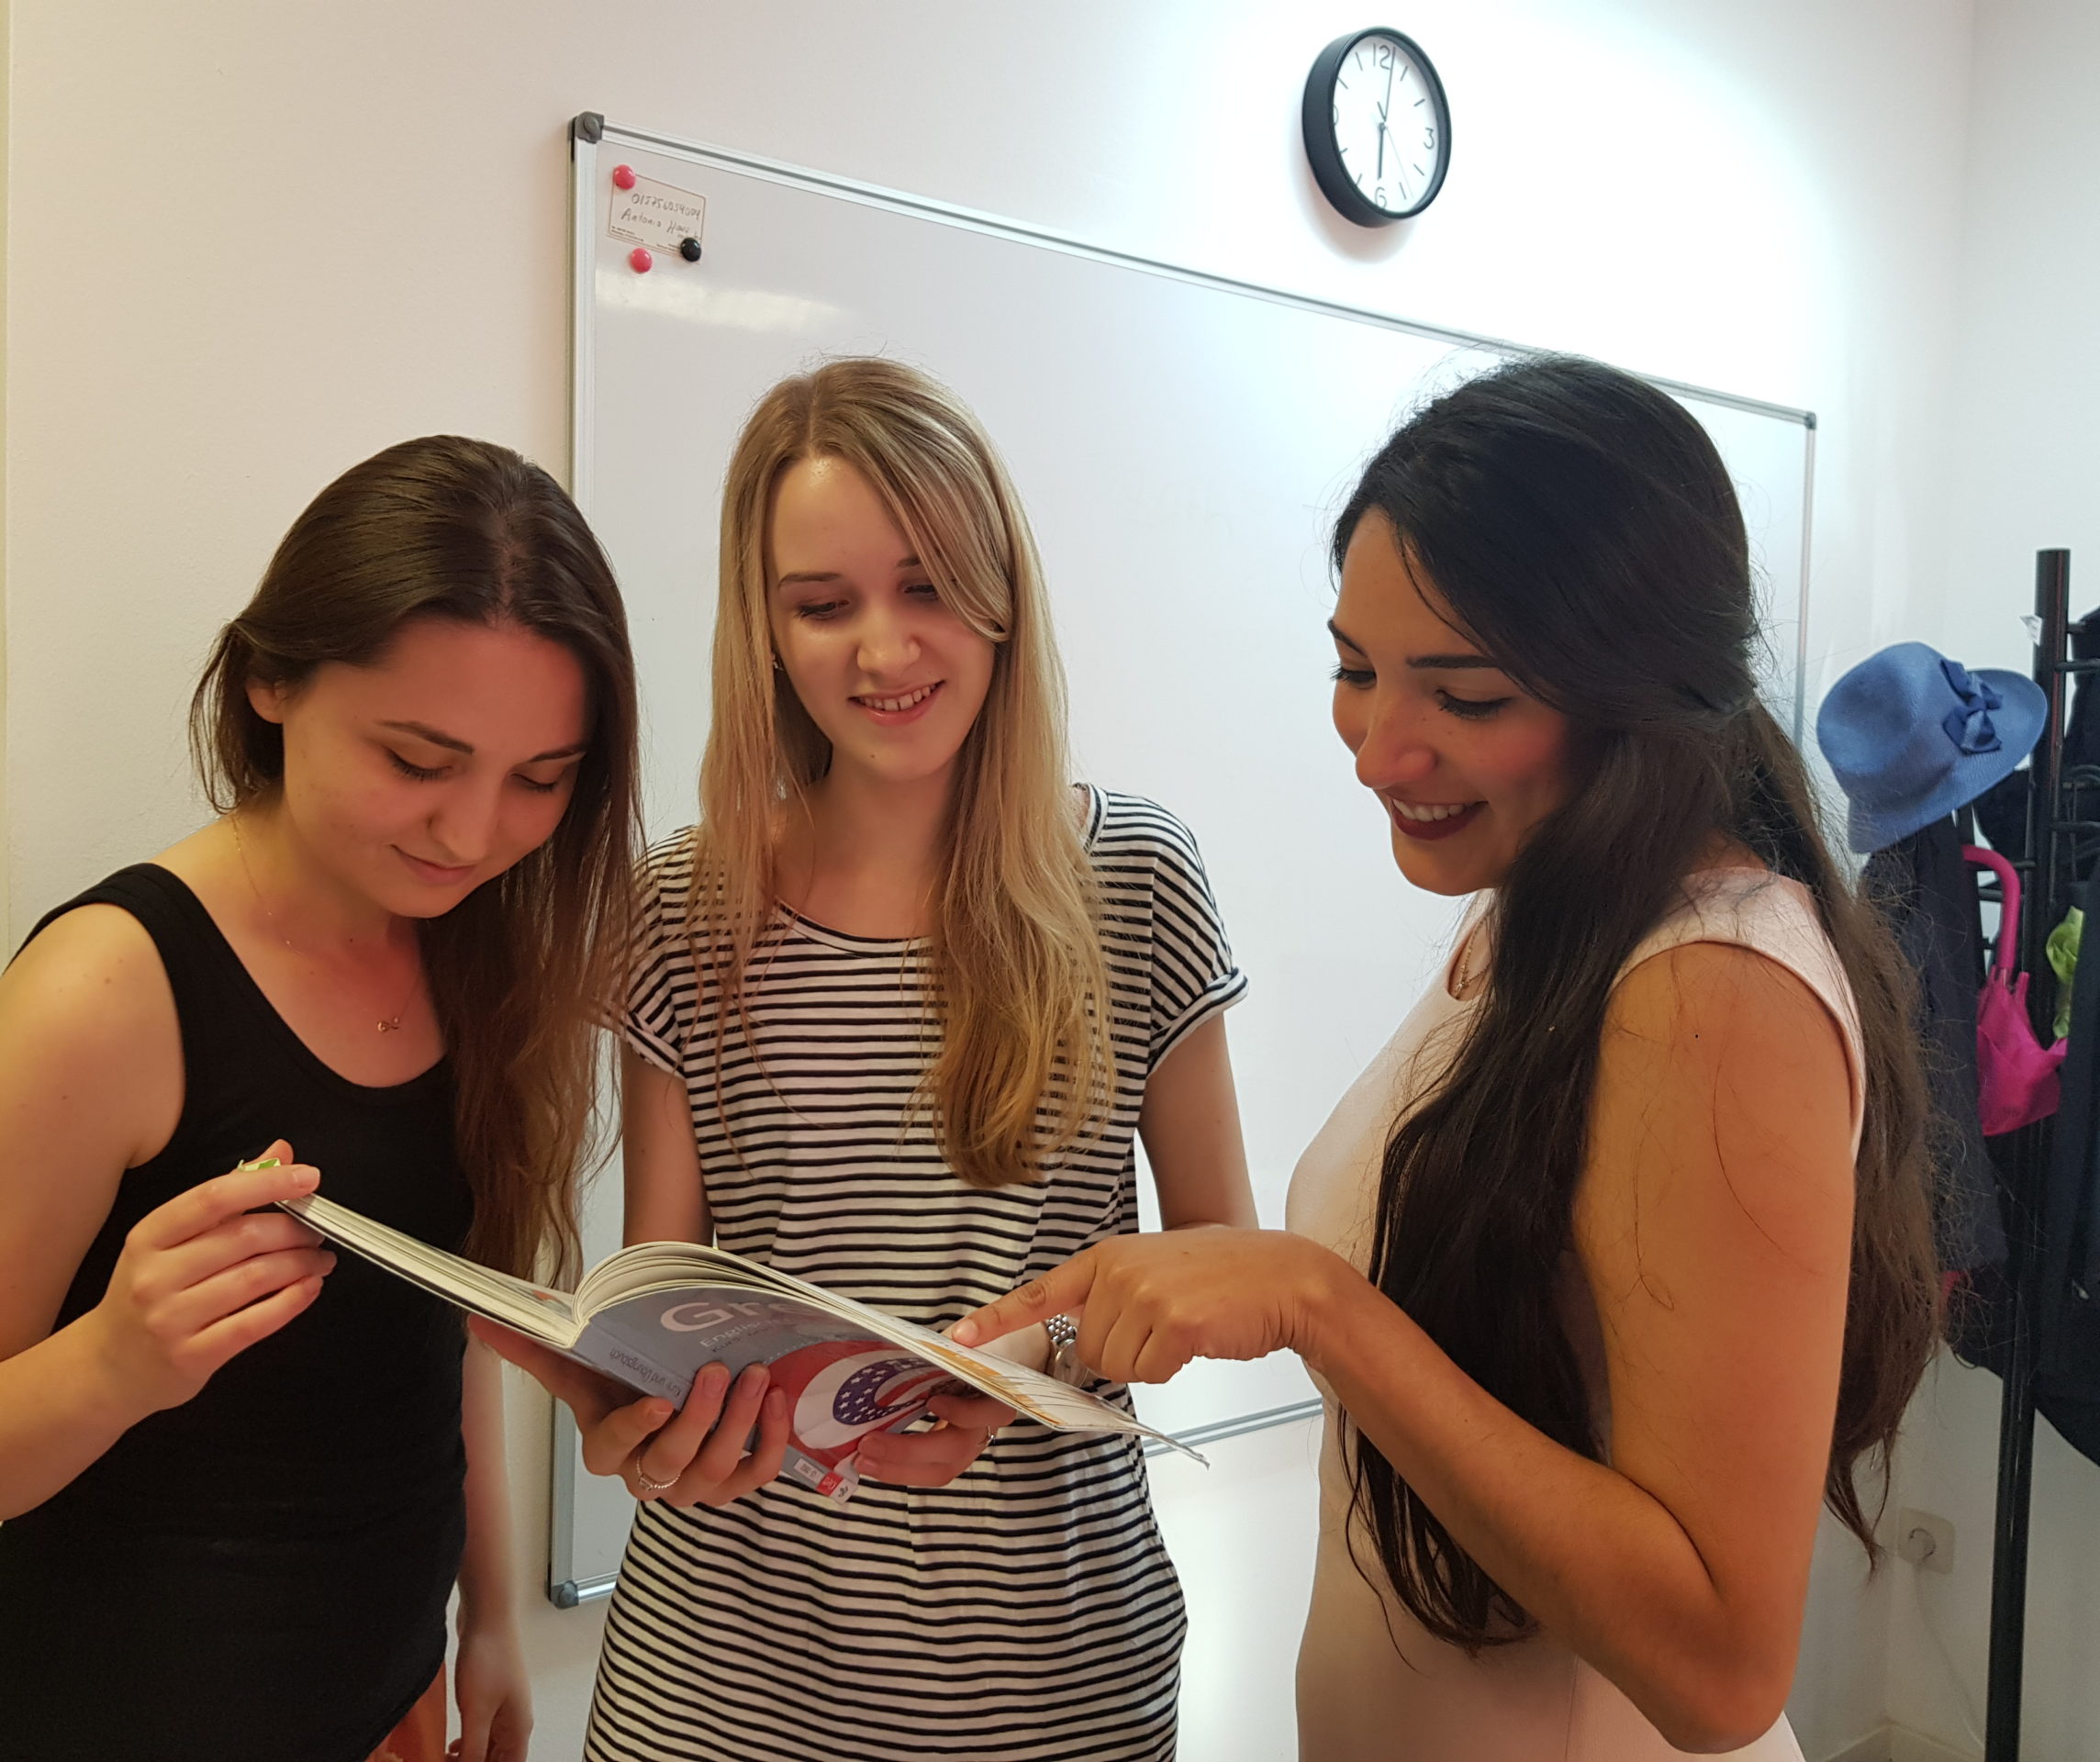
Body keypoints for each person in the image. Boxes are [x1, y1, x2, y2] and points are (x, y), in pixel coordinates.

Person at [955, 355, 1941, 1760]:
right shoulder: (1542, 916)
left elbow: (1721, 1667)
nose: (1378, 751)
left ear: (1641, 693)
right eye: (1356, 671)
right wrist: (1030, 1352)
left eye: (1463, 696)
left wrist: (1318, 1308)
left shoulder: (1715, 987)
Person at [477, 358, 1257, 1761]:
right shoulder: (683, 904)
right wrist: (640, 1418)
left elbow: (1222, 1266)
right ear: (764, 629)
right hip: (716, 1689)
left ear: (1001, 594)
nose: (884, 652)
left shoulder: (1135, 878)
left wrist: (1025, 1360)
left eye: (928, 587)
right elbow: (668, 1285)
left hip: (1051, 1683)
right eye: (823, 605)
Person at [0, 436, 642, 1762]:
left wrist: (489, 1614)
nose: (471, 833)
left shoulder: (471, 955)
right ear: (271, 679)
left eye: (539, 780)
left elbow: (435, 1324)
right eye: (418, 759)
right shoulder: (108, 990)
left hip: (386, 1701)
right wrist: (110, 1365)